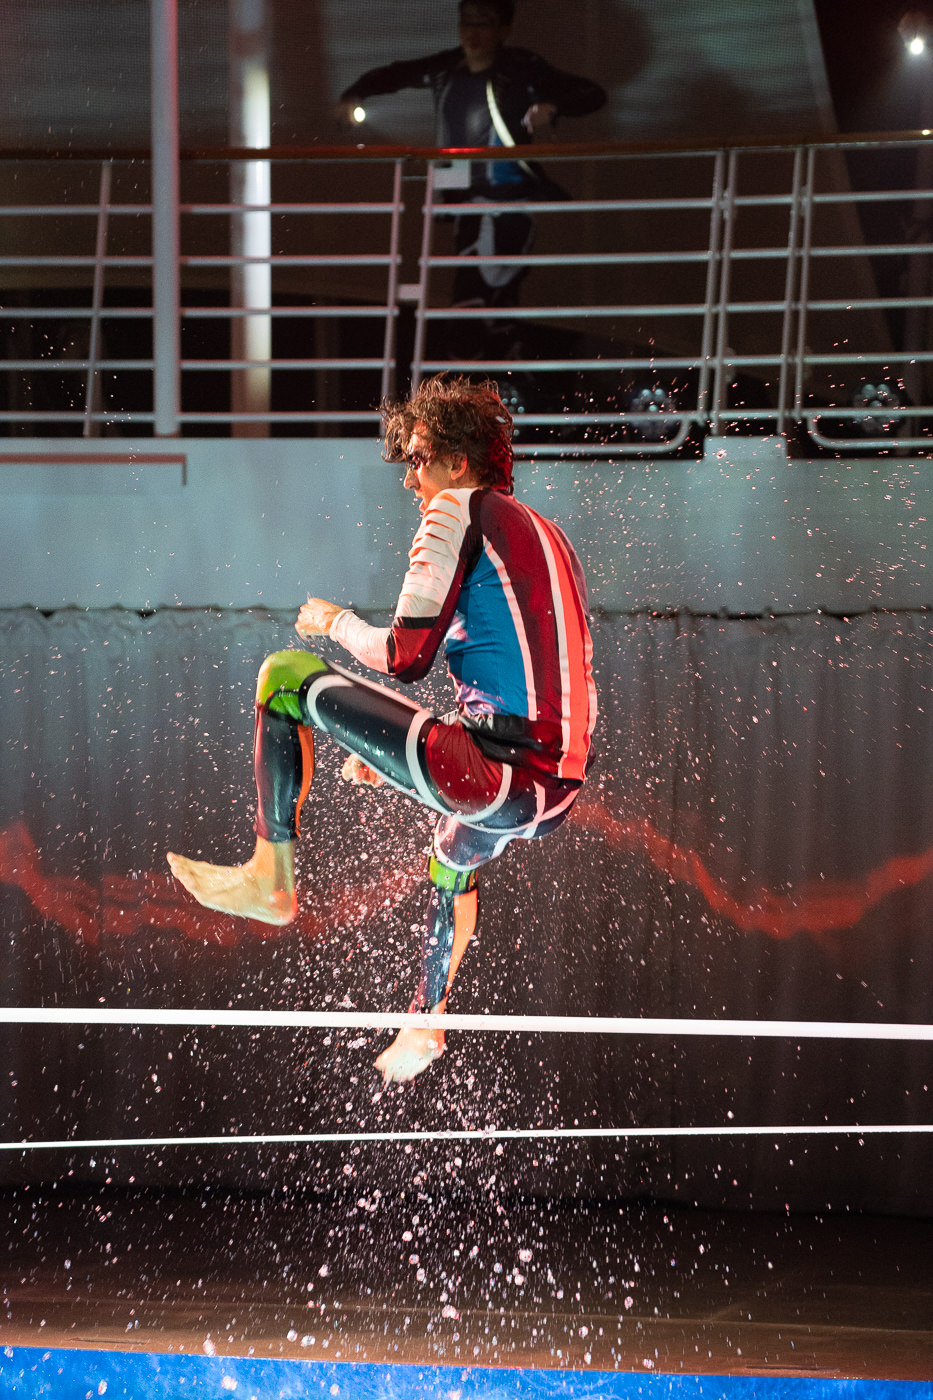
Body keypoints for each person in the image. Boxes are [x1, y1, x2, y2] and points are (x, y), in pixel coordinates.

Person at [167, 375, 597, 1083]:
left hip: (497, 774)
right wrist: (406, 759)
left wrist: (333, 622)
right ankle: (426, 1019)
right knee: (450, 862)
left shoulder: (458, 508)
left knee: (283, 675)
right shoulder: (550, 538)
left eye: (419, 459)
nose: (410, 480)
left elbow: (403, 657)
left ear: (459, 462)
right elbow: (541, 685)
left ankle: (270, 877)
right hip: (552, 792)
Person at [336, 0, 605, 324]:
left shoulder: (522, 68)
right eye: (467, 22)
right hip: (465, 204)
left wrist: (553, 107)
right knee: (489, 304)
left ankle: (488, 348)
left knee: (480, 298)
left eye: (484, 23)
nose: (472, 33)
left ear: (504, 30)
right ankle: (499, 351)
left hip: (510, 204)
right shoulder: (446, 68)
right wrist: (356, 93)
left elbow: (590, 93)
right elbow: (397, 74)